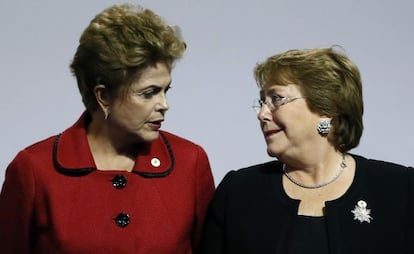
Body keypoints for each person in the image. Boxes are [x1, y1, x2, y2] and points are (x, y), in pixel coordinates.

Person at [0, 3, 215, 253]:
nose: (164, 105)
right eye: (149, 93)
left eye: (166, 90)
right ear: (103, 96)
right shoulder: (34, 170)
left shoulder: (190, 162)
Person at [200, 47, 414, 254]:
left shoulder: (400, 189)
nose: (262, 114)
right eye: (262, 102)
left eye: (276, 99)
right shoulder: (238, 192)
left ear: (327, 108)